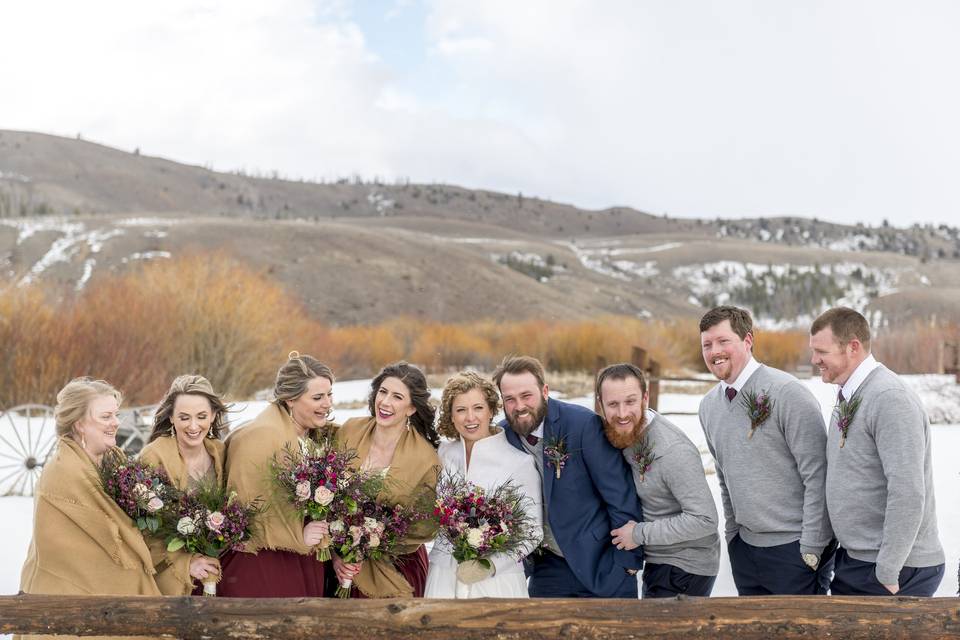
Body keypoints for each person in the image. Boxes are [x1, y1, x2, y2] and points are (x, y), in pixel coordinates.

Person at [698, 305, 833, 595]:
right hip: (745, 550)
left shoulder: (787, 393)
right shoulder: (709, 406)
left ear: (747, 341)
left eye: (724, 341)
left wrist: (812, 546)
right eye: (707, 344)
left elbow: (818, 476)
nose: (714, 351)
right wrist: (733, 535)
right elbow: (724, 477)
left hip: (795, 551)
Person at [810, 307, 944, 596]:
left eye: (822, 351)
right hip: (859, 560)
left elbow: (907, 491)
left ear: (853, 347)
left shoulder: (889, 398)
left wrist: (887, 569)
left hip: (895, 568)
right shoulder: (852, 394)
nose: (814, 360)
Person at [493, 355, 643, 598]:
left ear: (545, 390)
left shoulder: (582, 425)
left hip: (601, 563)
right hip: (546, 566)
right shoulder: (503, 435)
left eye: (526, 396)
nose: (519, 406)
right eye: (510, 399)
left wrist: (627, 563)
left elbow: (620, 495)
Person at [19, 377, 161, 597]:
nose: (115, 422)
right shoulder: (63, 472)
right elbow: (77, 548)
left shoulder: (114, 459)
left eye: (116, 414)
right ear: (79, 424)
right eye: (106, 416)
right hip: (67, 594)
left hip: (109, 587)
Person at [219, 352, 335, 597]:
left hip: (304, 558)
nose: (328, 404)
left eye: (329, 394)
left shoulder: (314, 436)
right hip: (263, 565)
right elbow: (247, 511)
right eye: (317, 397)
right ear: (291, 399)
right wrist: (298, 534)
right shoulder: (258, 437)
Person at [601, 363, 720, 598]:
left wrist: (639, 534)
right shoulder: (623, 433)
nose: (622, 413)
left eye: (630, 402)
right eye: (613, 404)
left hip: (684, 566)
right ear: (601, 403)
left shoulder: (673, 450)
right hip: (660, 561)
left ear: (645, 398)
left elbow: (705, 519)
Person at [424, 371, 543, 598]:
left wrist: (489, 566)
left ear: (491, 410)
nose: (471, 418)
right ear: (451, 416)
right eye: (461, 410)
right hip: (443, 577)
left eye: (478, 408)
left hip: (497, 582)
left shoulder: (518, 462)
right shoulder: (443, 454)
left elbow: (531, 532)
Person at [332, 362, 441, 598]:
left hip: (397, 567)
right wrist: (336, 554)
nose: (385, 402)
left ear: (412, 408)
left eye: (397, 397)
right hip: (340, 565)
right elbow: (325, 490)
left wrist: (373, 542)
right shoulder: (349, 430)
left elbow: (424, 525)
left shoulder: (426, 459)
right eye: (383, 392)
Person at [139, 374, 228, 595]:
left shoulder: (221, 452)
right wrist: (186, 561)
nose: (193, 426)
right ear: (171, 417)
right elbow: (143, 530)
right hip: (173, 575)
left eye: (201, 416)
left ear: (213, 415)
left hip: (220, 568)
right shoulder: (153, 457)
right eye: (184, 417)